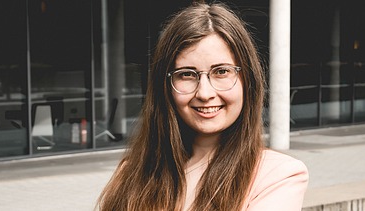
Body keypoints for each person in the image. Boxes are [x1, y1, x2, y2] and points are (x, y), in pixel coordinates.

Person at [97, 2, 308, 211]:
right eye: (187, 74)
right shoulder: (131, 172)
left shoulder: (279, 175)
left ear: (247, 80)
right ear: (165, 86)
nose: (205, 94)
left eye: (222, 72)